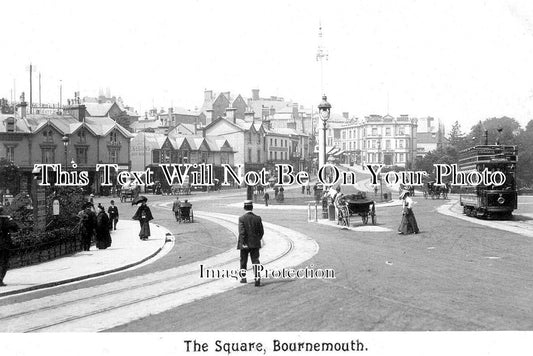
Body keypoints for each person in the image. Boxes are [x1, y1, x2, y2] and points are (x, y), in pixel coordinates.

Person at [237, 200, 264, 287]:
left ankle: (243, 278)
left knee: (243, 261)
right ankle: (257, 278)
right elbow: (261, 232)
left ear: (244, 208)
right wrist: (257, 239)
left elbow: (242, 232)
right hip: (255, 243)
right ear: (252, 207)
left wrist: (244, 242)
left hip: (245, 244)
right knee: (255, 261)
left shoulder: (241, 219)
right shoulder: (258, 218)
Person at [0, 206, 19, 287]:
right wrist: (10, 219)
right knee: (3, 262)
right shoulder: (5, 220)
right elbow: (15, 228)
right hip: (3, 244)